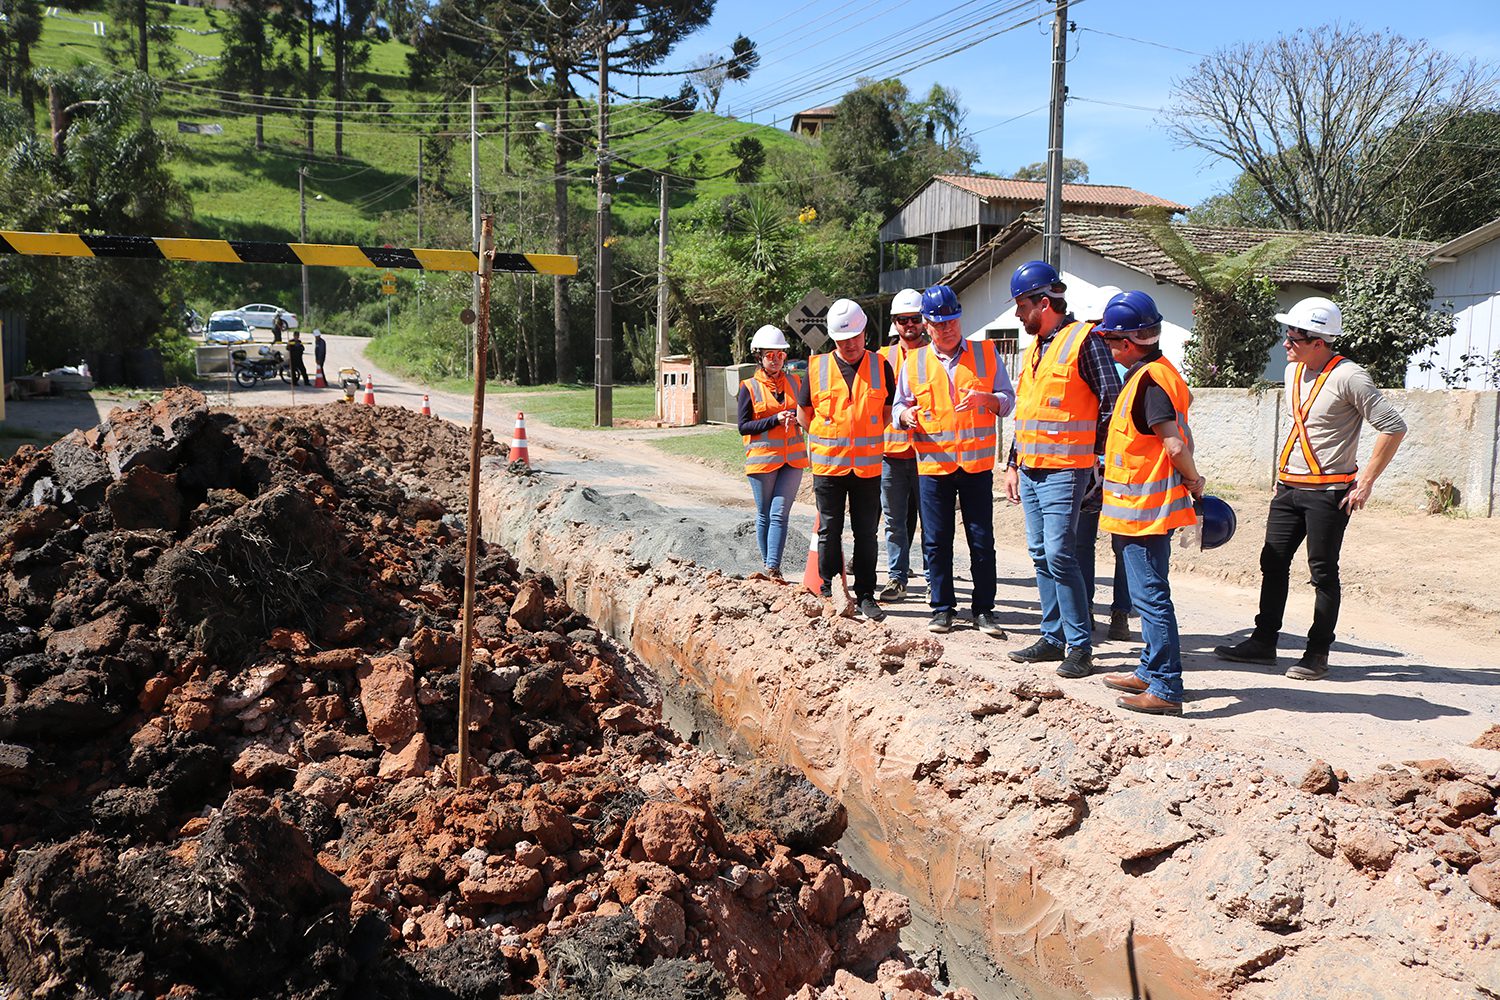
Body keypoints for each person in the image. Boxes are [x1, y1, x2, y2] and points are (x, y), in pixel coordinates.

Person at [1214, 296, 1408, 680]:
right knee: (1272, 563)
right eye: (1287, 335)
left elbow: (1393, 426)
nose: (1286, 344)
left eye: (1295, 338)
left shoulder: (1350, 377)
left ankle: (1317, 653)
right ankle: (1263, 642)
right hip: (1289, 487)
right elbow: (1301, 427)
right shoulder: (1293, 372)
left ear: (1320, 341)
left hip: (1329, 492)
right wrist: (1282, 471)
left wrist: (1365, 482)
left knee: (1322, 572)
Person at [1002, 260, 1122, 679]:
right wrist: (1013, 462)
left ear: (1042, 302)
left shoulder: (1085, 340)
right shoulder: (1038, 346)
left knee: (1059, 553)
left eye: (1021, 305)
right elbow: (1028, 411)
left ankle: (1080, 645)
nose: (1018, 315)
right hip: (1032, 468)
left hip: (1067, 469)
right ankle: (1052, 637)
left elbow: (1113, 400)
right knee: (1040, 554)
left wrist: (1099, 457)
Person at [1091, 291, 1205, 716]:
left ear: (1125, 341)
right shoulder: (1156, 374)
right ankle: (1150, 669)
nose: (1107, 346)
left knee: (1152, 597)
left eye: (1109, 340)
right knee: (1148, 594)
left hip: (1145, 514)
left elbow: (1174, 444)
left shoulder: (1150, 382)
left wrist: (1195, 482)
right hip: (1137, 511)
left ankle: (1166, 687)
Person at [890, 284, 1014, 636]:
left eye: (952, 322)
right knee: (936, 539)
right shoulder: (913, 362)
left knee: (981, 539)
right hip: (933, 465)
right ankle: (943, 607)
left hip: (975, 467)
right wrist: (904, 418)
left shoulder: (986, 354)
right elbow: (898, 406)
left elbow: (1007, 401)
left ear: (960, 320)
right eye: (939, 324)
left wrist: (986, 399)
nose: (947, 329)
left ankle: (984, 610)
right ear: (927, 325)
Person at [796, 298, 895, 621]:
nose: (849, 344)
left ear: (865, 333)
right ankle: (829, 590)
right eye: (842, 339)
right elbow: (804, 415)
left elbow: (885, 413)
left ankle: (866, 594)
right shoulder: (816, 368)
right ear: (833, 339)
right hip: (828, 467)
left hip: (867, 466)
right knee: (829, 529)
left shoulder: (882, 367)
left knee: (866, 532)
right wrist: (834, 439)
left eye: (854, 337)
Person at [1074, 285, 1132, 641]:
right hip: (1088, 463)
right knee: (1082, 540)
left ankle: (1121, 613)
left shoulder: (1136, 368)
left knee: (1124, 544)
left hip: (1123, 468)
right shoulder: (1083, 360)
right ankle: (1085, 608)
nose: (1097, 336)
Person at [738, 324, 808, 580]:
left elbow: (805, 414)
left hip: (793, 458)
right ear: (759, 356)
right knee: (765, 513)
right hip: (762, 460)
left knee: (780, 512)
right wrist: (774, 420)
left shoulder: (795, 381)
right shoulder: (749, 386)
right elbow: (743, 426)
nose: (776, 359)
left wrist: (797, 420)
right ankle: (769, 567)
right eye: (770, 355)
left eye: (780, 354)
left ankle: (772, 568)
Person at [878, 288, 929, 602]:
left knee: (932, 526)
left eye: (914, 318)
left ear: (923, 321)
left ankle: (935, 582)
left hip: (930, 453)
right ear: (895, 323)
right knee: (894, 522)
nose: (909, 324)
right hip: (891, 452)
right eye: (902, 320)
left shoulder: (936, 353)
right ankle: (897, 578)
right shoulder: (882, 358)